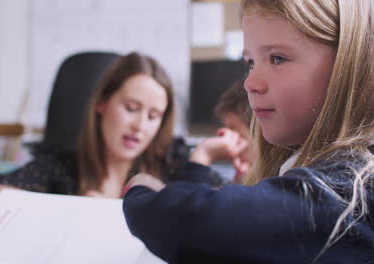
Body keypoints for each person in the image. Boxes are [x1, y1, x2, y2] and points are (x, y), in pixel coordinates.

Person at [122, 0, 374, 263]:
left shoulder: (355, 187)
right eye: (251, 62)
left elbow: (195, 227)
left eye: (278, 58)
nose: (250, 83)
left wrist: (141, 192)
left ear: (349, 65)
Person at [0, 52, 178, 218]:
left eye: (153, 116)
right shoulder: (62, 166)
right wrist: (70, 208)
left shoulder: (173, 162)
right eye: (131, 108)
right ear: (101, 103)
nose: (140, 126)